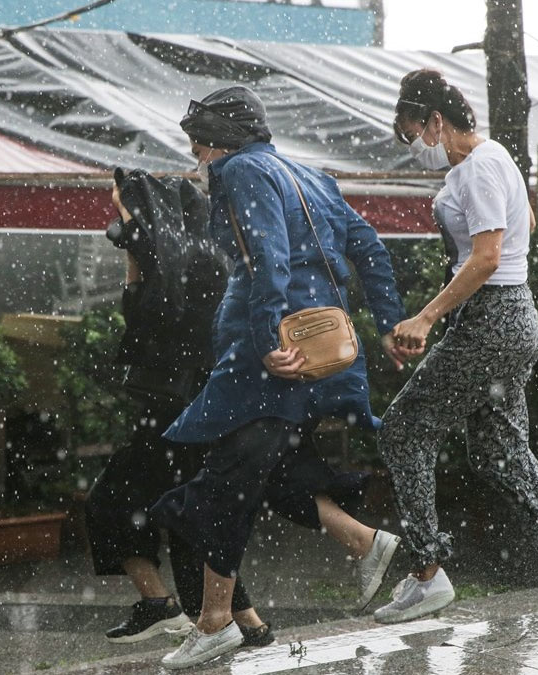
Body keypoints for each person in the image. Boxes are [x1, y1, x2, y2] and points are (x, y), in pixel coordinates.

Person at [152, 86, 410, 670]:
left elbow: (265, 257)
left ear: (213, 142)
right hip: (321, 349)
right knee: (268, 472)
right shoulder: (308, 174)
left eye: (197, 147)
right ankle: (369, 546)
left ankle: (217, 621)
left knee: (219, 480)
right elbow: (368, 246)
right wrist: (391, 322)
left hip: (267, 358)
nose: (196, 158)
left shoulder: (240, 170)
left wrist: (269, 340)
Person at [371, 68, 538, 625]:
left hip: (493, 320)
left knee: (403, 428)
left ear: (436, 120)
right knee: (499, 455)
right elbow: (526, 221)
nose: (417, 148)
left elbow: (488, 257)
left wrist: (427, 316)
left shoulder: (478, 166)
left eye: (416, 134)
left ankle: (426, 576)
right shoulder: (493, 158)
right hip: (511, 317)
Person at [85, 169, 274, 648]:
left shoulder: (174, 274)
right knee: (187, 511)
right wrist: (134, 248)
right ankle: (243, 622)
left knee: (124, 505)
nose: (119, 224)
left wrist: (133, 242)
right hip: (196, 406)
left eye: (123, 214)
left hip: (173, 409)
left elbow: (141, 326)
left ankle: (174, 608)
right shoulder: (200, 259)